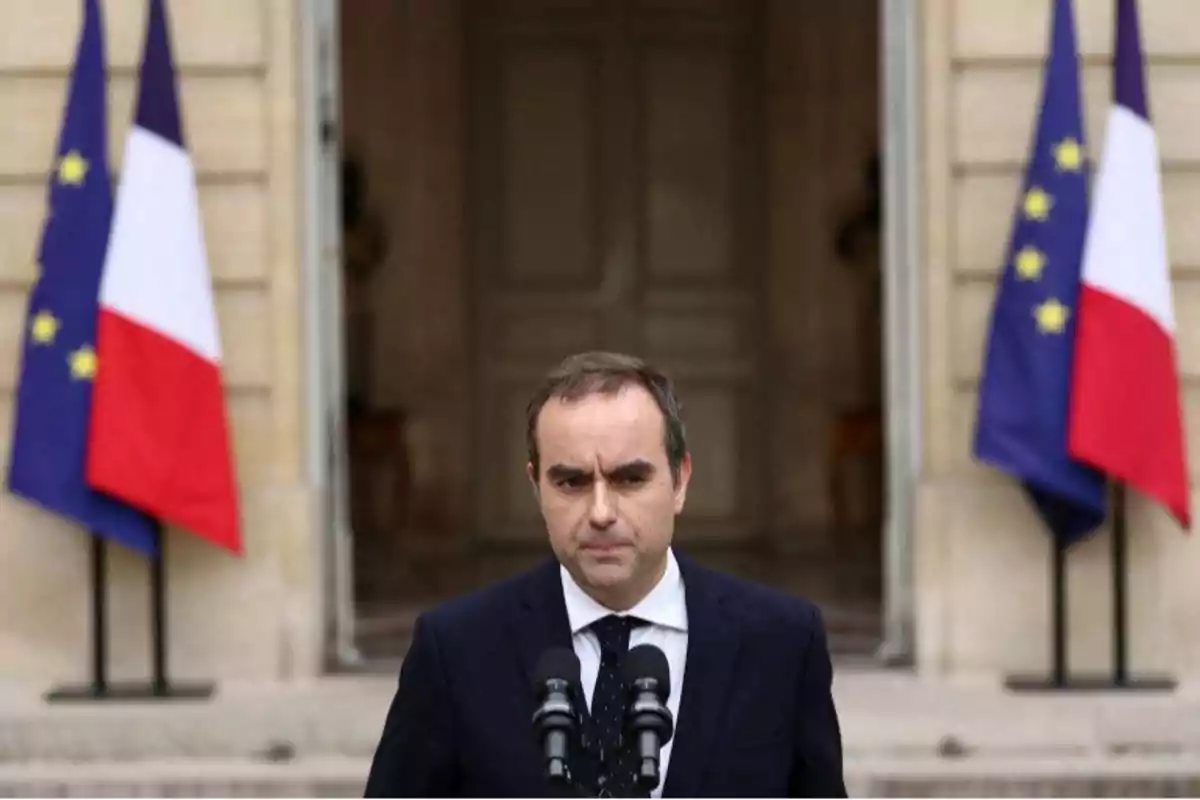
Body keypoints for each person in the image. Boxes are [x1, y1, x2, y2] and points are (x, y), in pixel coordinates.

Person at [363, 351, 846, 798]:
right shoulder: (455, 649)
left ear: (680, 481)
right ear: (536, 488)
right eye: (571, 481)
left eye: (629, 479)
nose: (600, 512)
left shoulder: (781, 642)